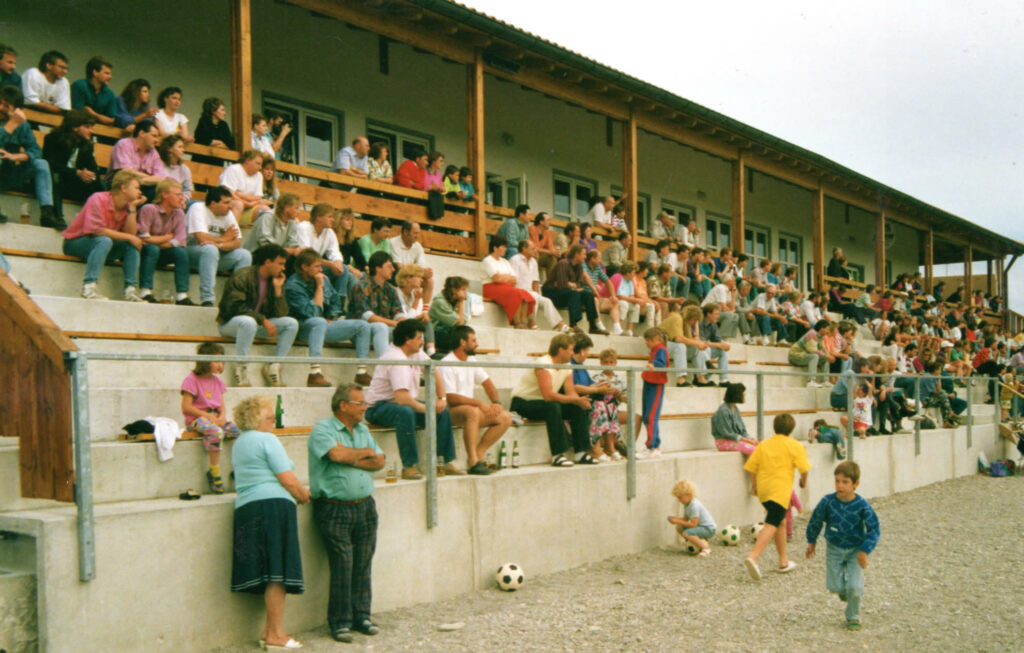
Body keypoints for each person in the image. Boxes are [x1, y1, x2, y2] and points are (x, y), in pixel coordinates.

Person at [229, 396, 310, 652]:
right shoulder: (267, 439)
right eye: (269, 417)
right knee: (277, 573)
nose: (273, 420)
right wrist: (303, 495)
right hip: (273, 506)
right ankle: (276, 634)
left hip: (247, 507)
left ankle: (268, 631)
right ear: (256, 420)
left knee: (265, 570)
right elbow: (287, 479)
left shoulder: (239, 442)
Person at [308, 384, 385, 643]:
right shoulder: (323, 429)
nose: (365, 407)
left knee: (363, 562)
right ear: (344, 405)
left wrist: (351, 457)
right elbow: (336, 454)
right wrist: (363, 454)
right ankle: (339, 622)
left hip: (364, 506)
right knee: (343, 564)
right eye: (360, 403)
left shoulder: (362, 430)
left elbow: (380, 461)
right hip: (334, 508)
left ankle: (361, 616)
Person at [364, 318, 461, 479]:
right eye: (419, 338)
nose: (422, 342)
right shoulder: (396, 358)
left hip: (401, 404)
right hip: (378, 408)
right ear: (407, 341)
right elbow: (402, 398)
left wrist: (442, 398)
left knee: (442, 412)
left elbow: (433, 370)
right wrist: (428, 409)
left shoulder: (414, 352)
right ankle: (408, 466)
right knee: (406, 412)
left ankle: (444, 462)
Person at [805, 461, 881, 631]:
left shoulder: (862, 505)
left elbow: (874, 529)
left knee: (854, 587)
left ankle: (853, 616)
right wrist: (811, 541)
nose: (840, 485)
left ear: (856, 484)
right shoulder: (828, 502)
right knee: (834, 586)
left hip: (856, 550)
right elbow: (815, 521)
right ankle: (844, 590)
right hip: (834, 549)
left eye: (845, 482)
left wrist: (864, 551)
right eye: (837, 481)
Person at [284, 248, 374, 387]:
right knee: (318, 321)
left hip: (322, 325)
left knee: (362, 326)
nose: (321, 269)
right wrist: (319, 287)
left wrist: (332, 317)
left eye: (321, 265)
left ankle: (361, 372)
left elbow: (335, 302)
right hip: (302, 328)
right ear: (304, 267)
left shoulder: (321, 278)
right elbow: (312, 314)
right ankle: (315, 373)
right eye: (317, 266)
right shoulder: (293, 285)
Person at [216, 244, 300, 388]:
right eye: (280, 264)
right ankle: (241, 368)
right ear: (268, 262)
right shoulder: (243, 275)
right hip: (231, 324)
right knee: (248, 322)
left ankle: (274, 366)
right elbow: (234, 307)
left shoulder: (274, 280)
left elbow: (280, 314)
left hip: (256, 325)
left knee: (291, 323)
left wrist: (278, 290)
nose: (283, 268)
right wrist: (263, 319)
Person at [743, 413, 811, 581]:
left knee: (781, 521)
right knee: (772, 523)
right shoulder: (795, 446)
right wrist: (803, 482)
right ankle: (754, 556)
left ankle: (783, 561)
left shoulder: (764, 445)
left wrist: (755, 485)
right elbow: (804, 469)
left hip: (764, 490)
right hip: (780, 491)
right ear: (792, 429)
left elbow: (751, 467)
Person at [509, 333, 592, 467]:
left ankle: (581, 452)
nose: (573, 353)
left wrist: (580, 401)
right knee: (553, 406)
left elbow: (570, 391)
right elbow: (548, 395)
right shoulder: (543, 363)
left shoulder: (567, 365)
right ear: (560, 350)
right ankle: (558, 455)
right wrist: (574, 400)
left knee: (576, 407)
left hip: (543, 403)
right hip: (523, 403)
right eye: (570, 349)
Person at [61, 169, 145, 300]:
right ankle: (89, 287)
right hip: (75, 243)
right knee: (105, 240)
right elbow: (96, 230)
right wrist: (130, 237)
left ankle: (131, 290)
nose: (140, 192)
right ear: (123, 188)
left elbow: (131, 234)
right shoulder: (98, 198)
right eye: (136, 188)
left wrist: (132, 209)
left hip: (102, 245)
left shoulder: (128, 206)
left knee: (130, 245)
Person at [441, 325, 512, 475]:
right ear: (462, 342)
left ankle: (479, 455)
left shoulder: (471, 359)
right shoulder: (446, 363)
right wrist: (479, 403)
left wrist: (496, 403)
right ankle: (472, 460)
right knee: (472, 411)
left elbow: (487, 382)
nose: (477, 344)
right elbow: (451, 398)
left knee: (505, 417)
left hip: (469, 411)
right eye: (473, 340)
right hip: (449, 412)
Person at [180, 343, 240, 494]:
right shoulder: (191, 380)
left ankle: (238, 468)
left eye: (222, 361)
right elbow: (186, 407)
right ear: (205, 361)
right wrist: (208, 416)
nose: (220, 365)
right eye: (216, 361)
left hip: (214, 418)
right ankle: (214, 472)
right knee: (216, 433)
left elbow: (221, 405)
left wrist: (222, 417)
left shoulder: (218, 381)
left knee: (238, 432)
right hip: (197, 420)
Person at [0, 85, 58, 226]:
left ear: (17, 110)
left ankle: (46, 212)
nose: (0, 107)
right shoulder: (15, 123)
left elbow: (36, 150)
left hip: (7, 173)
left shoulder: (23, 125)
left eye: (6, 106)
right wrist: (11, 125)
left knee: (41, 163)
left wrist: (17, 156)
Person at [185, 185, 252, 307]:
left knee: (244, 255)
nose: (230, 206)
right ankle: (207, 299)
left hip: (214, 254)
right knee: (210, 249)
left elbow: (237, 243)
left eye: (230, 202)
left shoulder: (227, 214)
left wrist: (219, 245)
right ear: (213, 203)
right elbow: (201, 238)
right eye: (226, 203)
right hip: (191, 254)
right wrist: (224, 239)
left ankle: (235, 300)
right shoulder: (198, 208)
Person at [138, 179, 192, 304]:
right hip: (144, 252)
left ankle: (182, 295)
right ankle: (145, 291)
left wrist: (156, 241)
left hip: (162, 252)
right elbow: (144, 238)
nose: (181, 198)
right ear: (164, 194)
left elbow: (179, 241)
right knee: (152, 249)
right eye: (178, 195)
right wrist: (168, 237)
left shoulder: (179, 213)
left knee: (181, 252)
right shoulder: (149, 209)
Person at [348, 251, 403, 359]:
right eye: (389, 266)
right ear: (378, 268)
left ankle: (415, 371)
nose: (393, 270)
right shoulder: (361, 286)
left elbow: (398, 312)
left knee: (413, 332)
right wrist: (395, 323)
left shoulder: (391, 289)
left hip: (385, 328)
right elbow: (368, 317)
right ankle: (383, 368)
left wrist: (403, 323)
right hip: (361, 330)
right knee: (380, 327)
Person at [294, 203, 353, 300]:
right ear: (318, 217)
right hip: (303, 267)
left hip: (317, 266)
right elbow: (307, 255)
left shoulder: (329, 232)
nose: (333, 220)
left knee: (344, 268)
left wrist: (338, 263)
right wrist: (330, 264)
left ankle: (339, 303)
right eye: (330, 217)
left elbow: (335, 252)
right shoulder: (304, 227)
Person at [543, 245, 606, 335]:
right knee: (574, 294)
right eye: (584, 254)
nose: (585, 256)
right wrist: (572, 286)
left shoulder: (579, 266)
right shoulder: (563, 263)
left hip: (566, 293)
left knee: (588, 294)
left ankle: (593, 326)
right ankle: (573, 324)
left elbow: (580, 284)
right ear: (576, 254)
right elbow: (562, 285)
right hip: (552, 293)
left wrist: (571, 285)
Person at [511, 239, 568, 332]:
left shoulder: (533, 261)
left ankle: (560, 325)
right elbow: (513, 280)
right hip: (519, 290)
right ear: (524, 249)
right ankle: (531, 322)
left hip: (530, 291)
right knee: (533, 297)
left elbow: (535, 282)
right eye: (533, 248)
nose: (535, 250)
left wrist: (536, 294)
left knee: (546, 301)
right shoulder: (515, 260)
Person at [482, 235, 536, 329]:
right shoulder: (488, 260)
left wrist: (503, 277)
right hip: (490, 287)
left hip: (505, 286)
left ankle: (523, 321)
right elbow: (496, 279)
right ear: (495, 248)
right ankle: (517, 322)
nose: (505, 249)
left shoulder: (505, 261)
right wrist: (506, 277)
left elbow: (514, 279)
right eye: (503, 247)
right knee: (515, 293)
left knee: (525, 294)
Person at [107, 120, 164, 200]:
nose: (157, 140)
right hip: (119, 185)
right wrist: (149, 177)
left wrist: (141, 181)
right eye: (154, 136)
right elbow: (126, 171)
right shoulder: (124, 144)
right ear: (142, 133)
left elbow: (160, 177)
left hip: (142, 186)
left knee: (160, 190)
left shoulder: (154, 153)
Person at [667, 479, 716, 558]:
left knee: (687, 533)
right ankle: (694, 542)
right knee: (679, 527)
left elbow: (693, 524)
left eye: (680, 497)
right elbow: (685, 520)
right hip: (700, 527)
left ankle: (706, 549)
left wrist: (677, 521)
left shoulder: (694, 506)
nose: (679, 500)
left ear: (688, 494)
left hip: (708, 529)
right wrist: (676, 520)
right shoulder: (687, 505)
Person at [219, 149, 268, 227]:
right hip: (226, 206)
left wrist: (240, 194)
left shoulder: (259, 175)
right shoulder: (234, 169)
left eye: (261, 165)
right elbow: (229, 194)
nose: (260, 167)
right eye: (258, 164)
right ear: (248, 160)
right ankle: (232, 234)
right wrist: (247, 203)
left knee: (265, 210)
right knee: (238, 204)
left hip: (247, 208)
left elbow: (258, 198)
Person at [639, 327, 668, 458]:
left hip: (656, 384)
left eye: (648, 341)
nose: (646, 344)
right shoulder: (654, 350)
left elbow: (663, 363)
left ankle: (651, 446)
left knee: (651, 416)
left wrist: (653, 364)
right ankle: (655, 444)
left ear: (655, 339)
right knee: (646, 416)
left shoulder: (661, 349)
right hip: (649, 382)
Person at [395, 264, 435, 355]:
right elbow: (405, 320)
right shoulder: (396, 293)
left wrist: (422, 314)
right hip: (400, 327)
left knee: (425, 320)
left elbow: (417, 314)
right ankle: (430, 352)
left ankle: (431, 352)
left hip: (413, 326)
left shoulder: (415, 293)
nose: (421, 280)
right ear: (408, 278)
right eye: (419, 277)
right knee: (422, 321)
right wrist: (416, 301)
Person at [389, 220, 433, 301]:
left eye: (419, 233)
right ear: (406, 232)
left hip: (411, 275)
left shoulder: (418, 246)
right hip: (397, 275)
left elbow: (421, 267)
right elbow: (398, 266)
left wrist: (426, 272)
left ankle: (425, 310)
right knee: (413, 278)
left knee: (429, 281)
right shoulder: (393, 242)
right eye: (415, 233)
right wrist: (419, 272)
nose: (418, 236)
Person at [428, 276, 471, 353]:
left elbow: (464, 321)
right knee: (462, 340)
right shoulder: (440, 302)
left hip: (447, 333)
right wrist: (461, 302)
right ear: (454, 289)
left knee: (468, 335)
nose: (465, 292)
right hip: (435, 335)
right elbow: (459, 323)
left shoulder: (454, 301)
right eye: (463, 289)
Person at [70, 56, 116, 125]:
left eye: (110, 74)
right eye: (106, 73)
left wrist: (94, 114)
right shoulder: (80, 86)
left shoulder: (110, 94)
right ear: (95, 72)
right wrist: (101, 118)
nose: (110, 77)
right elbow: (76, 113)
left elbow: (111, 120)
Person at [21, 50, 70, 114]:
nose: (65, 72)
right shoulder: (33, 74)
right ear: (49, 65)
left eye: (66, 68)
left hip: (49, 117)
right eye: (62, 67)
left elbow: (62, 109)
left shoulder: (64, 82)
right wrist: (52, 107)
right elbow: (29, 102)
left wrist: (40, 103)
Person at [789, 320, 831, 388]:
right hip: (796, 356)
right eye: (827, 329)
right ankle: (811, 381)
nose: (828, 331)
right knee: (814, 356)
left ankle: (825, 381)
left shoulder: (820, 336)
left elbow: (823, 348)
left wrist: (828, 355)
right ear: (821, 328)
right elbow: (812, 350)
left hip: (804, 356)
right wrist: (826, 355)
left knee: (825, 359)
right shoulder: (812, 334)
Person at [193, 96, 235, 161]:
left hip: (217, 163)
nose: (225, 113)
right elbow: (200, 139)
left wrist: (222, 145)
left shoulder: (224, 125)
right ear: (213, 110)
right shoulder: (204, 121)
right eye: (222, 110)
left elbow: (230, 143)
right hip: (201, 161)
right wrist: (216, 142)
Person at [699, 303, 731, 384]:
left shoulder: (713, 324)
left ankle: (723, 380)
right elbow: (701, 342)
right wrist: (719, 345)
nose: (718, 316)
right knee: (707, 348)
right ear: (708, 314)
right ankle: (704, 378)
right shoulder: (700, 323)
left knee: (722, 351)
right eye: (716, 314)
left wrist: (724, 345)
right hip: (698, 350)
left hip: (706, 351)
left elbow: (717, 340)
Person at [157, 134, 194, 203]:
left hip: (179, 201)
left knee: (196, 204)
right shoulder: (158, 165)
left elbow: (187, 191)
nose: (183, 150)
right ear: (169, 149)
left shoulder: (185, 169)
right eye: (180, 147)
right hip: (161, 199)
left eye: (183, 147)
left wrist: (183, 200)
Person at [528, 212, 559, 276]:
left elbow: (551, 248)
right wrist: (549, 252)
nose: (550, 222)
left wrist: (555, 252)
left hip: (540, 257)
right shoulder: (532, 229)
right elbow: (534, 248)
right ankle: (534, 281)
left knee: (552, 258)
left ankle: (550, 283)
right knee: (535, 254)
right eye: (548, 220)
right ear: (541, 222)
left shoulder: (547, 232)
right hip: (531, 256)